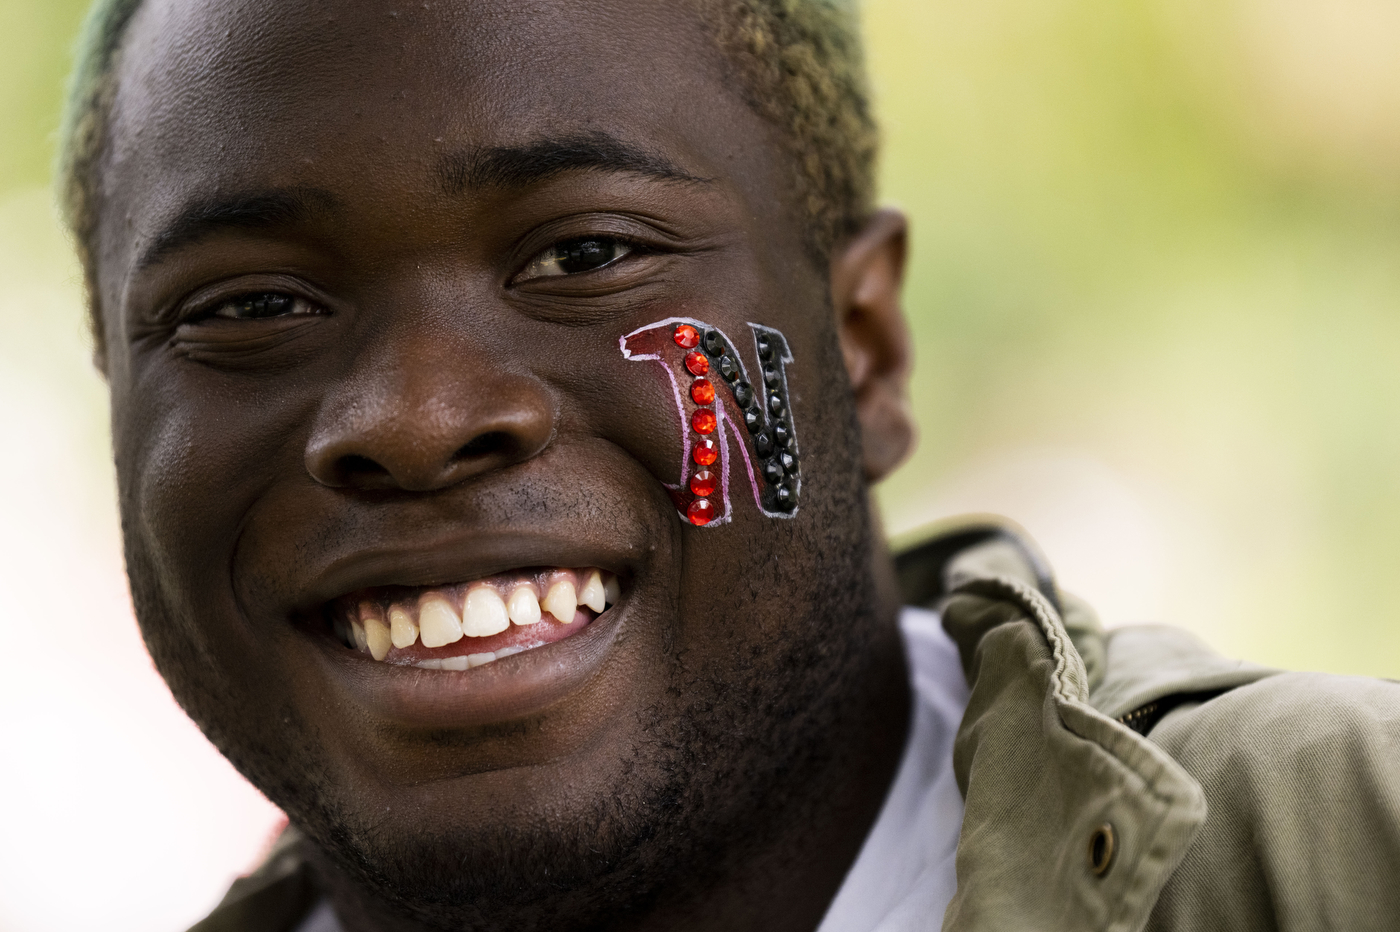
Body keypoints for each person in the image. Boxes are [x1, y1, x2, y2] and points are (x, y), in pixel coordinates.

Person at [56, 0, 1400, 929]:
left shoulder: (1348, 847)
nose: (412, 417)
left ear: (862, 346)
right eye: (249, 308)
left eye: (585, 255)